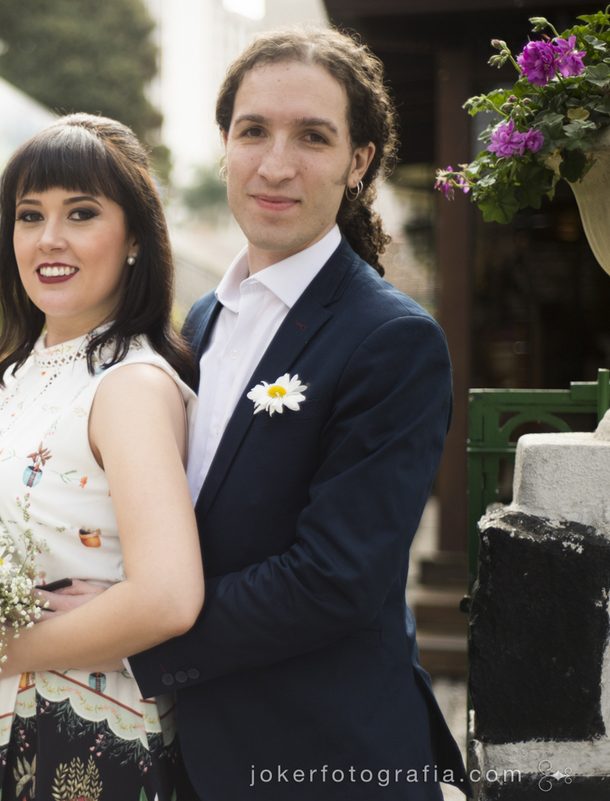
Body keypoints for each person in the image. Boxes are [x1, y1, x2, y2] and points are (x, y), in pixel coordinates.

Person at [116, 27, 470, 800]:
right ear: (225, 146)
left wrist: (130, 635)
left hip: (324, 756)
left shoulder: (393, 340)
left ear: (359, 162)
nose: (277, 165)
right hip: (199, 758)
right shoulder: (201, 320)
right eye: (254, 131)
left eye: (313, 136)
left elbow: (333, 578)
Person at [0, 114, 203, 800]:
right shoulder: (23, 370)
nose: (49, 238)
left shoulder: (130, 383)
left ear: (134, 238)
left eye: (81, 212)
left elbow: (168, 597)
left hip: (81, 743)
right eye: (29, 214)